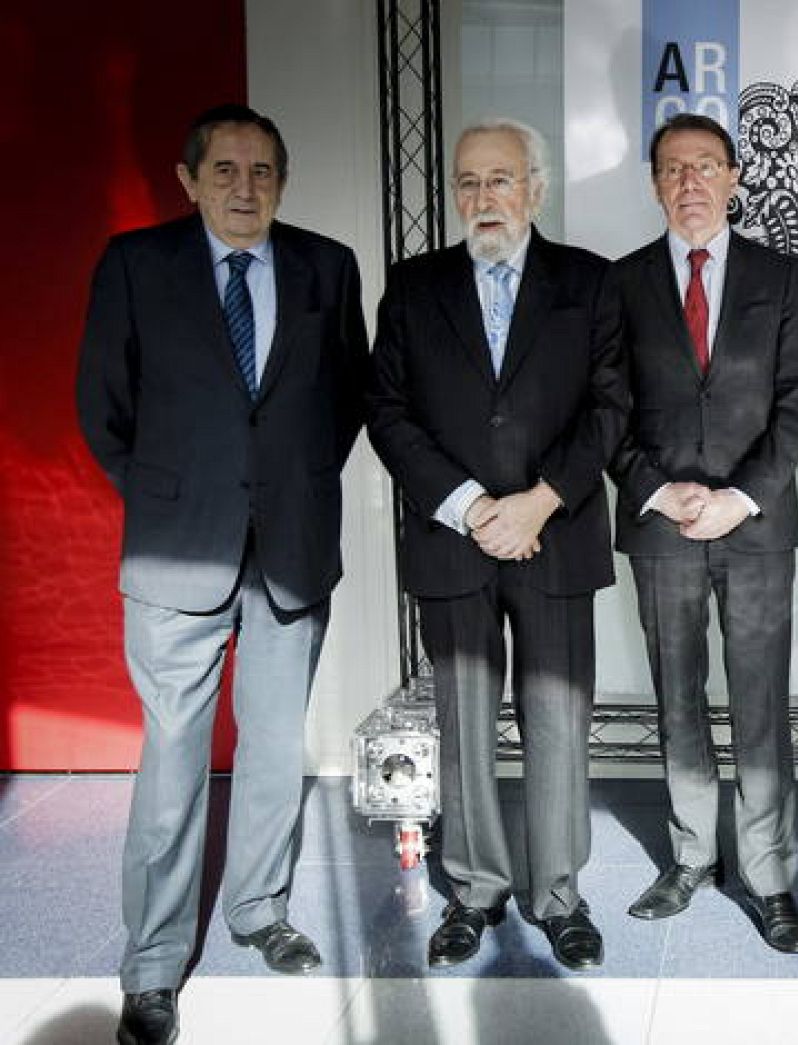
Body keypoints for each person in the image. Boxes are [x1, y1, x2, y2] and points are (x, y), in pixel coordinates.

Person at [77, 103, 368, 1045]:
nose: (247, 188)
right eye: (228, 170)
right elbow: (102, 404)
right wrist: (167, 494)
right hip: (177, 551)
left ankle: (257, 909)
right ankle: (153, 964)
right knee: (173, 763)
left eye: (264, 172)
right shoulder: (136, 266)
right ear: (189, 177)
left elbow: (348, 395)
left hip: (289, 545)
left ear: (283, 180)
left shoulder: (327, 265)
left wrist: (293, 480)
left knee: (276, 744)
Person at [367, 117, 627, 972]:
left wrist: (540, 502)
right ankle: (475, 890)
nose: (484, 198)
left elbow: (611, 408)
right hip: (455, 539)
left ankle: (558, 893)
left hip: (555, 535)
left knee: (558, 720)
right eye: (469, 182)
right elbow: (388, 411)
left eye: (501, 180)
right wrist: (474, 505)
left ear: (537, 189)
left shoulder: (589, 283)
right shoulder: (411, 286)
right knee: (463, 722)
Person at [609, 113, 798, 953]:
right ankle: (693, 854)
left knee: (761, 700)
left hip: (756, 525)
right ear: (655, 184)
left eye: (706, 165)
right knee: (677, 694)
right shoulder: (618, 284)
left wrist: (743, 497)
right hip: (662, 525)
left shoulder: (781, 275)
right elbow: (605, 407)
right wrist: (660, 491)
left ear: (735, 178)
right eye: (673, 168)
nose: (691, 181)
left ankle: (768, 875)